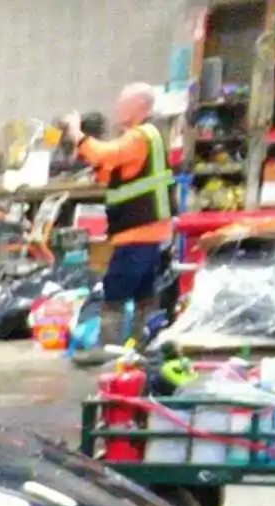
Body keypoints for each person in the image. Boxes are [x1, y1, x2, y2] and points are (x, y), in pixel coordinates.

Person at [63, 83, 174, 366]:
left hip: (137, 232)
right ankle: (143, 344)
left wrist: (78, 134)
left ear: (139, 106)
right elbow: (113, 171)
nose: (116, 109)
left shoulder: (139, 137)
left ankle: (108, 347)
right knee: (143, 292)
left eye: (122, 104)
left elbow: (107, 155)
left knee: (116, 288)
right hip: (149, 231)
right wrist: (89, 156)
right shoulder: (149, 137)